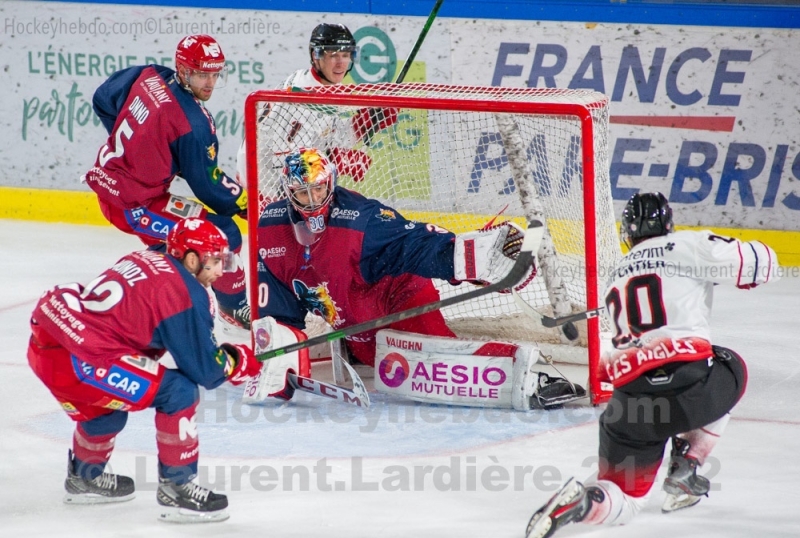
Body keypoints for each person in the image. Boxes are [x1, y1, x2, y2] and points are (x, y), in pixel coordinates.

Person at [523, 192, 780, 538]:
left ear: (627, 233)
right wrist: (710, 268)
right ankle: (686, 464)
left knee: (624, 498)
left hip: (629, 403)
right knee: (732, 366)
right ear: (668, 224)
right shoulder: (690, 246)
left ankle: (583, 503)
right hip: (692, 389)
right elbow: (764, 263)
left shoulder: (616, 272)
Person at [252, 147, 583, 411]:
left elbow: (414, 245)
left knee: (440, 361)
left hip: (400, 297)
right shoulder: (270, 230)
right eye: (302, 192)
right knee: (381, 361)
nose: (312, 200)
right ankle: (358, 348)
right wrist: (279, 346)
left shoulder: (360, 220)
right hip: (357, 323)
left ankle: (525, 376)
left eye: (319, 188)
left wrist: (468, 258)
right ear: (287, 192)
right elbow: (277, 304)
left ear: (332, 181)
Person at [27, 217, 262, 523]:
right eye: (215, 260)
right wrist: (240, 359)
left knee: (105, 409)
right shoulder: (183, 292)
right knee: (179, 391)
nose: (220, 271)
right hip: (86, 358)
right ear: (191, 259)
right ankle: (177, 488)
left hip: (49, 348)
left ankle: (84, 478)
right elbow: (205, 370)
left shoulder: (147, 256)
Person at [82, 34, 251, 330]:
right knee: (222, 236)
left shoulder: (150, 76)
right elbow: (208, 186)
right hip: (133, 204)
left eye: (214, 74)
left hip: (117, 185)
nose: (209, 83)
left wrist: (143, 146)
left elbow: (103, 98)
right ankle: (229, 310)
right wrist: (242, 202)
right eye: (201, 74)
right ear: (184, 70)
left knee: (192, 241)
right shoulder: (193, 123)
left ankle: (144, 298)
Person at [236, 23, 397, 197]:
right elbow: (289, 163)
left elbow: (325, 135)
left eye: (345, 55)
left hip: (279, 183)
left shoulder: (321, 85)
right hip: (264, 189)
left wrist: (362, 124)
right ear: (316, 55)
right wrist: (339, 159)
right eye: (333, 55)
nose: (341, 63)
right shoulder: (302, 96)